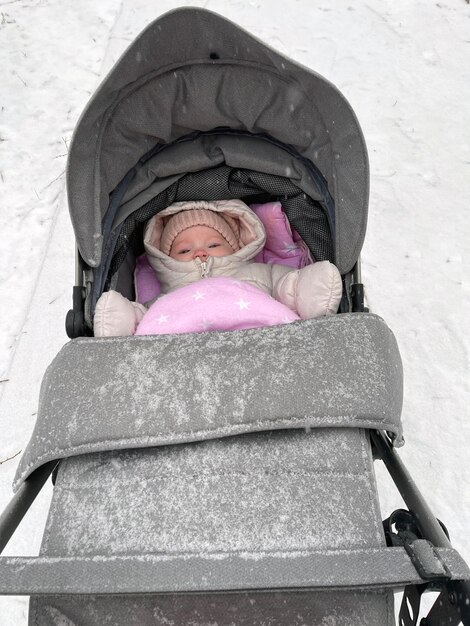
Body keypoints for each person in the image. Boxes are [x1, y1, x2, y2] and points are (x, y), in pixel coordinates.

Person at [93, 199, 343, 337]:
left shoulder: (259, 274)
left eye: (213, 243)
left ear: (236, 248)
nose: (200, 252)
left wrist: (309, 289)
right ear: (163, 259)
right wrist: (123, 319)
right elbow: (142, 317)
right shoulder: (165, 299)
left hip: (262, 337)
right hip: (176, 345)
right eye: (183, 250)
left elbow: (290, 287)